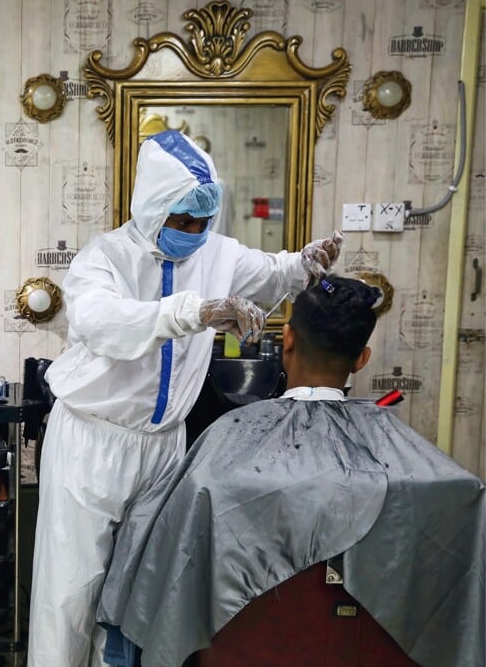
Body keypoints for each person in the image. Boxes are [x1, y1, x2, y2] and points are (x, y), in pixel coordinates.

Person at [28, 129, 345, 665]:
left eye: (203, 221)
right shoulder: (105, 258)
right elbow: (100, 321)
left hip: (163, 447)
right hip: (93, 441)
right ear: (153, 209)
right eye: (183, 221)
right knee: (72, 591)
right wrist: (193, 312)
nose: (195, 233)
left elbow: (272, 275)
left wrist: (304, 264)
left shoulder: (216, 251)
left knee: (136, 590)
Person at [96, 275, 486, 666]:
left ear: (287, 341)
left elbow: (167, 543)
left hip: (247, 646)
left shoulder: (225, 449)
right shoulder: (440, 478)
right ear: (362, 358)